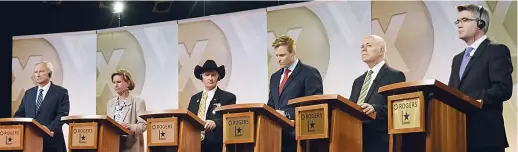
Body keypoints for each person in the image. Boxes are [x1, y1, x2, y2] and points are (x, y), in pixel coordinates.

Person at [449, 4, 513, 152]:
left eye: (464, 20)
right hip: (457, 137)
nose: (459, 25)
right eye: (457, 21)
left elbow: (503, 88)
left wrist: (472, 99)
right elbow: (451, 91)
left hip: (485, 137)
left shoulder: (496, 51)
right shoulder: (457, 59)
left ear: (480, 24)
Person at [349, 35, 406, 152]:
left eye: (368, 45)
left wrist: (375, 109)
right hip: (354, 139)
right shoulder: (358, 81)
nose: (363, 49)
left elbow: (398, 108)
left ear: (381, 50)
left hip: (378, 140)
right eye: (362, 47)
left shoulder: (395, 76)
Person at [267, 35, 323, 152]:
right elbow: (271, 105)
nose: (278, 59)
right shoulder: (275, 77)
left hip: (299, 136)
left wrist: (287, 115)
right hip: (276, 136)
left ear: (293, 52)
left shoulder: (309, 73)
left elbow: (315, 105)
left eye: (282, 55)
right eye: (276, 55)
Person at [14, 61, 70, 152]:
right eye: (36, 72)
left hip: (52, 142)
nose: (38, 75)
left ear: (49, 73)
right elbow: (20, 114)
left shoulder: (61, 92)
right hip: (30, 143)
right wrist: (15, 127)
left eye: (41, 71)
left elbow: (62, 114)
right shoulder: (29, 93)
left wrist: (48, 129)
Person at [187, 60, 236, 152]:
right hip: (194, 144)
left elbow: (231, 120)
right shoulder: (194, 99)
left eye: (213, 75)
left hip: (216, 145)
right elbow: (188, 120)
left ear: (218, 77)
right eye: (207, 75)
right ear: (202, 77)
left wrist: (215, 123)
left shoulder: (228, 97)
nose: (210, 78)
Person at [107, 69, 146, 152]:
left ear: (128, 83)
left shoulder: (138, 102)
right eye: (114, 82)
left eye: (119, 82)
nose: (116, 85)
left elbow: (143, 125)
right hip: (112, 145)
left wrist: (129, 126)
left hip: (130, 146)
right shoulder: (110, 103)